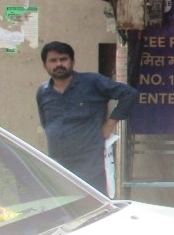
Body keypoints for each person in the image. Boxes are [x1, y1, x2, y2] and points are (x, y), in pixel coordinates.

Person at [36, 40, 139, 194]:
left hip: (90, 166)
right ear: (45, 65)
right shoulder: (43, 92)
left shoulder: (92, 82)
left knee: (93, 209)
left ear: (72, 62)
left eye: (63, 59)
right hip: (58, 166)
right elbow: (47, 124)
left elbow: (129, 94)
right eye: (53, 60)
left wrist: (110, 124)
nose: (59, 64)